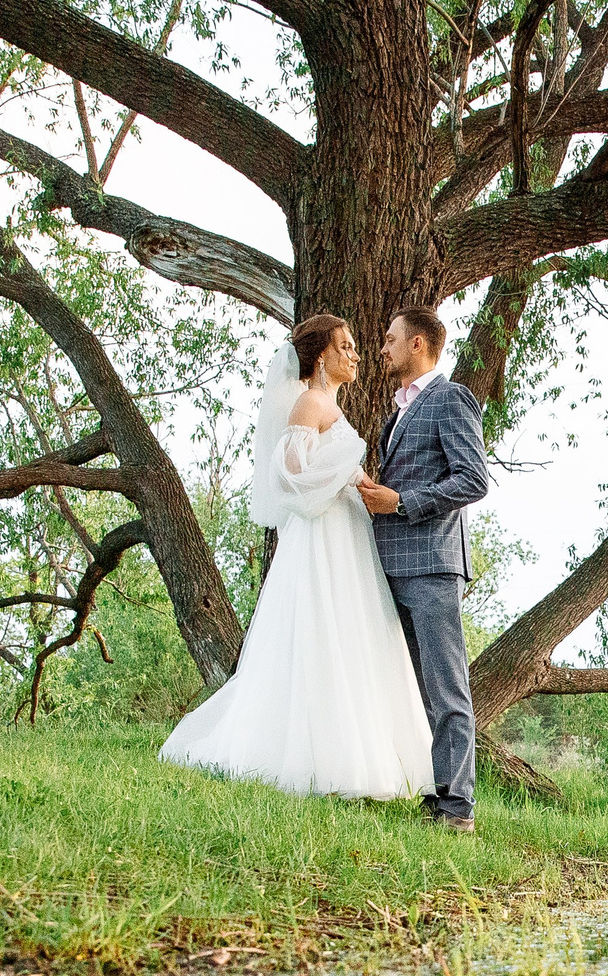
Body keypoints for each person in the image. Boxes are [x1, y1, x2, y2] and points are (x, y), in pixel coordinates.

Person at [159, 315, 435, 799]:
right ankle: (323, 761)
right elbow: (288, 474)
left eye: (355, 346)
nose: (355, 354)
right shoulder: (309, 401)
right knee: (320, 633)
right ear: (320, 356)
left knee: (350, 634)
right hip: (322, 533)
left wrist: (355, 479)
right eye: (345, 346)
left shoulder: (329, 405)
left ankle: (362, 754)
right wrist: (345, 473)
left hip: (345, 532)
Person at [357, 307, 490, 833]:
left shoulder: (450, 398)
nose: (381, 347)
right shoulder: (399, 410)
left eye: (390, 339)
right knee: (413, 687)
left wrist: (402, 502)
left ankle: (458, 807)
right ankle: (435, 793)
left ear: (417, 344)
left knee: (446, 685)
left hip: (432, 566)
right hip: (392, 566)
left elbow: (473, 480)